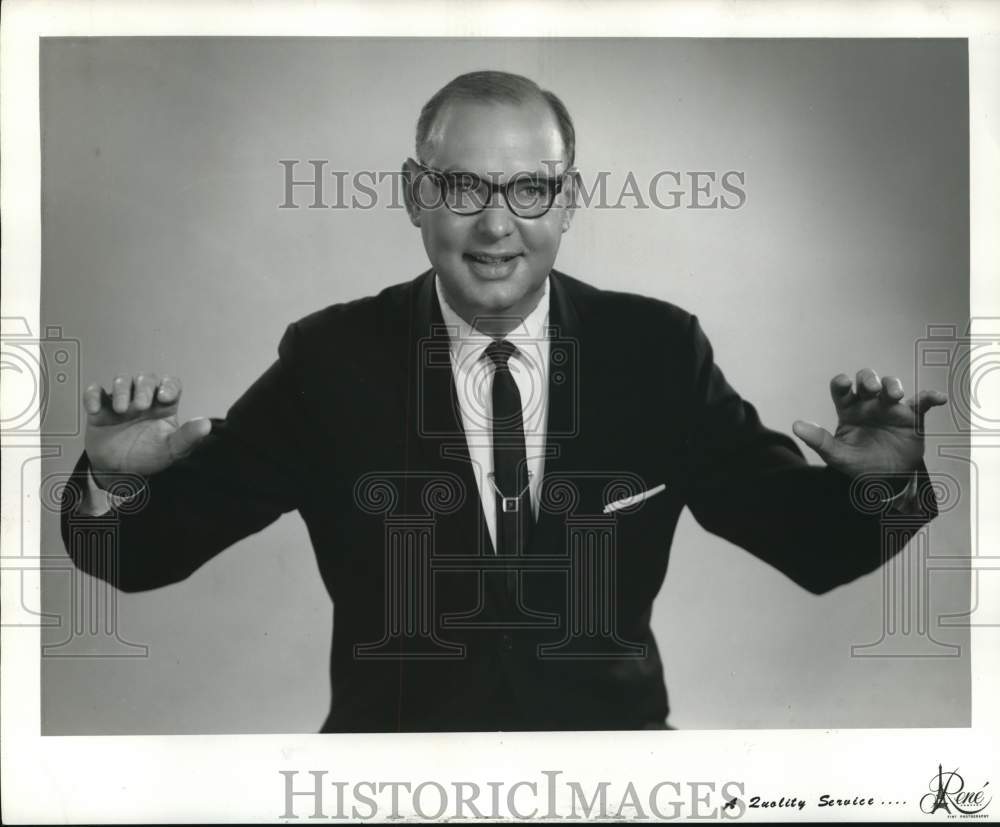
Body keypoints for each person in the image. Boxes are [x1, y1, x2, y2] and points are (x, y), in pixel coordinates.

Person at [60, 70, 947, 732]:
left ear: (569, 200)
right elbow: (145, 556)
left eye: (530, 188)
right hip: (392, 788)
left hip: (609, 783)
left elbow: (810, 545)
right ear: (416, 195)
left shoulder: (657, 352)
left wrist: (884, 484)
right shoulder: (330, 361)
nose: (496, 224)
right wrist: (116, 485)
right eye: (462, 186)